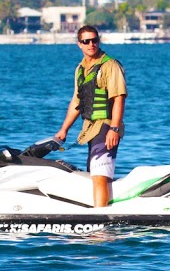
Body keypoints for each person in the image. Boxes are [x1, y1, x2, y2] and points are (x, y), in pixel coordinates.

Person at [54, 26, 127, 208]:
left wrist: (114, 128)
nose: (91, 44)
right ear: (79, 44)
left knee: (100, 174)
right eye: (86, 41)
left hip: (106, 126)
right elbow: (77, 101)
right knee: (94, 172)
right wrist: (64, 130)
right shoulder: (80, 69)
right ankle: (105, 210)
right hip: (90, 128)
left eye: (94, 40)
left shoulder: (110, 65)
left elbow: (119, 98)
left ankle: (100, 223)